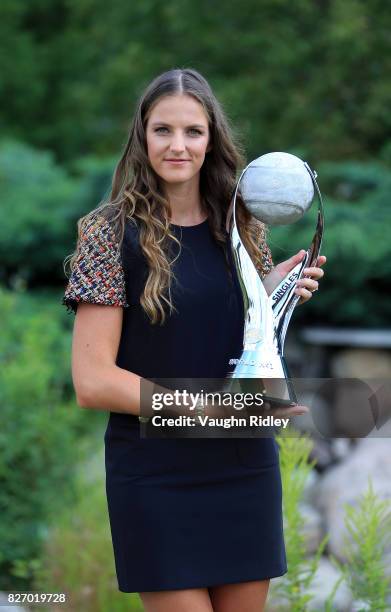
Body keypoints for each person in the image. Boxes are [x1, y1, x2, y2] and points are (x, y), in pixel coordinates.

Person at [62, 68, 326, 612]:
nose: (178, 145)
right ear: (142, 136)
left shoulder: (244, 227)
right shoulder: (108, 233)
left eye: (193, 132)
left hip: (241, 465)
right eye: (163, 130)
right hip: (156, 476)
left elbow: (238, 345)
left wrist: (269, 297)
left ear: (212, 140)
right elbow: (93, 381)